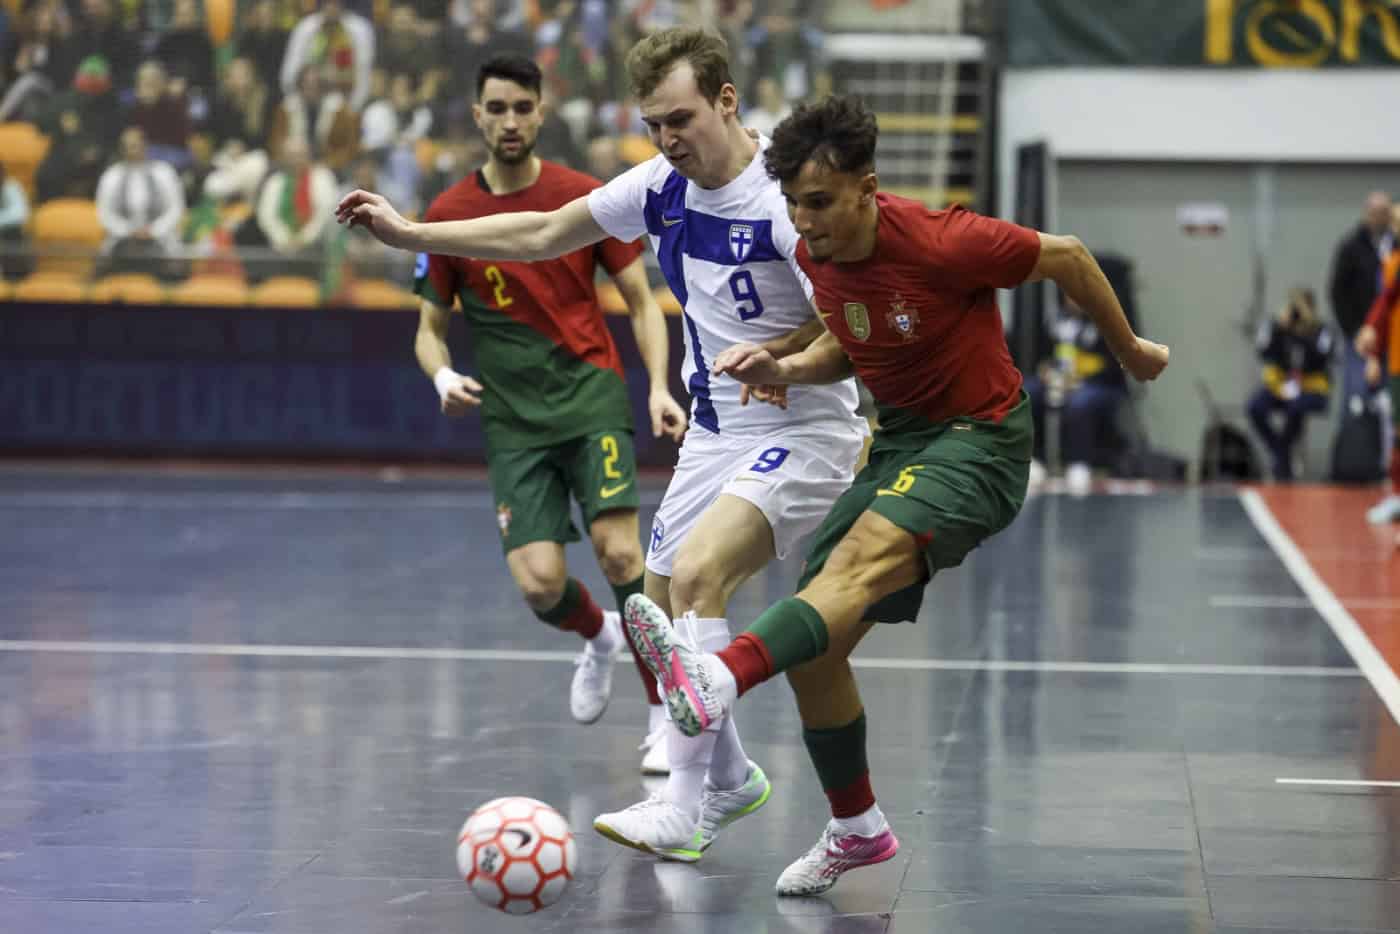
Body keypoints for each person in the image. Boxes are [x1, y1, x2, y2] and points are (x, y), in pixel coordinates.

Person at [338, 29, 870, 861]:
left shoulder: (785, 198)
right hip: (716, 431)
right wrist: (414, 238)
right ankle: (730, 778)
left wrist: (789, 361)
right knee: (654, 603)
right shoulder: (660, 187)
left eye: (682, 119)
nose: (668, 140)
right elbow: (543, 231)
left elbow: (850, 319)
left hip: (804, 427)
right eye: (654, 123)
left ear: (727, 100)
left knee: (698, 578)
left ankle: (687, 808)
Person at [622, 94, 1170, 896]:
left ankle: (720, 678)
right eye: (795, 205)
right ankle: (857, 828)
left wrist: (1130, 350)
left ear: (867, 187)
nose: (803, 223)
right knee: (820, 638)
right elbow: (847, 339)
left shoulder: (947, 241)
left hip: (980, 439)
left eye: (818, 204)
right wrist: (783, 365)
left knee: (848, 574)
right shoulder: (815, 254)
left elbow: (1073, 256)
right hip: (904, 440)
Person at [411, 54, 688, 755]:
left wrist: (658, 384)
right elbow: (429, 331)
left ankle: (662, 712)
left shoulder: (585, 197)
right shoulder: (447, 217)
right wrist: (442, 378)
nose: (510, 121)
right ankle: (597, 635)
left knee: (622, 554)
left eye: (522, 108)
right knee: (540, 583)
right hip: (512, 420)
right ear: (477, 115)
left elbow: (640, 303)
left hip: (590, 396)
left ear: (542, 112)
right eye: (496, 108)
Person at [1245, 288, 1333, 482]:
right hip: (1282, 385)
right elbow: (1263, 352)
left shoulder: (1321, 330)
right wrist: (1279, 328)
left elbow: (1322, 357)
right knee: (1255, 407)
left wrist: (1306, 331)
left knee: (1296, 407)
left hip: (1312, 388)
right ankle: (1280, 452)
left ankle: (1281, 456)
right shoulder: (1280, 328)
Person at [1356, 224, 1400, 524]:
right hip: (1398, 360)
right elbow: (1386, 301)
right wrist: (1373, 353)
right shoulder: (1392, 262)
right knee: (1397, 433)